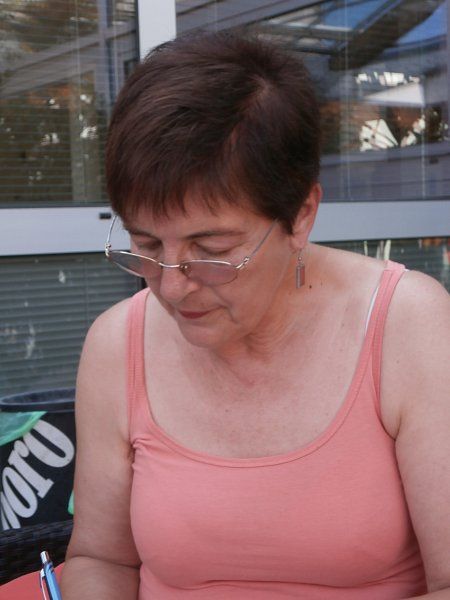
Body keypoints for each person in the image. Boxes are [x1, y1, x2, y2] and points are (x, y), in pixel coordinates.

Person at [60, 31, 450, 599]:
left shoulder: (407, 326)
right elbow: (102, 558)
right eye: (145, 245)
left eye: (211, 250)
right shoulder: (117, 342)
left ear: (301, 215)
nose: (172, 286)